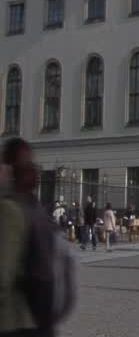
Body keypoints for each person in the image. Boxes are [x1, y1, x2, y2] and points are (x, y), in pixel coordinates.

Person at [0, 137, 75, 335]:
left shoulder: (10, 209)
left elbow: (3, 275)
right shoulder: (37, 208)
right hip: (42, 319)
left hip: (16, 321)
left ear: (7, 169)